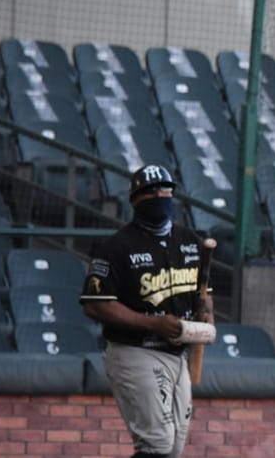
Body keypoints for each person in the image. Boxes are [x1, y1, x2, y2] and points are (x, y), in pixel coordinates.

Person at [80, 165, 215, 458]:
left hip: (177, 354)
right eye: (149, 192)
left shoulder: (189, 241)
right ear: (134, 199)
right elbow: (94, 303)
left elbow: (204, 294)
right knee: (157, 444)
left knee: (174, 447)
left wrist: (206, 317)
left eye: (165, 190)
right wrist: (151, 324)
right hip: (135, 350)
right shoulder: (116, 246)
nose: (159, 195)